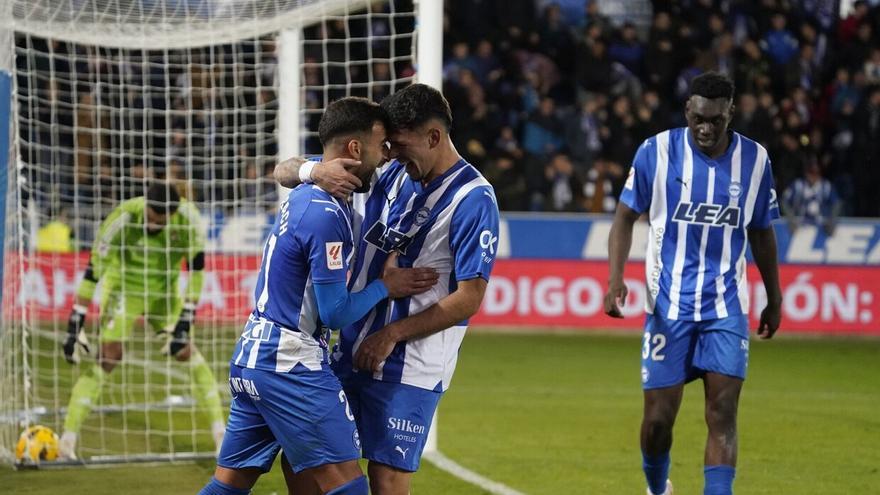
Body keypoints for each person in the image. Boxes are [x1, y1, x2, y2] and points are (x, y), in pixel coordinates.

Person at [199, 97, 439, 495]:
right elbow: (334, 313)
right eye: (380, 146)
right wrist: (386, 287)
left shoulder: (310, 187)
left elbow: (285, 170)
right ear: (355, 148)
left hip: (255, 356)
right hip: (290, 364)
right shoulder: (325, 215)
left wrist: (310, 170)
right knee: (349, 488)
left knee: (228, 487)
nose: (386, 156)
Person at [274, 83, 500, 495]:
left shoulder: (473, 199)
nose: (392, 153)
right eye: (388, 145)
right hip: (348, 350)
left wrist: (392, 334)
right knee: (304, 457)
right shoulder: (390, 171)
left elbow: (470, 297)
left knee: (387, 480)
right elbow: (283, 171)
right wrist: (314, 171)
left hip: (409, 366)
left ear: (434, 137)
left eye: (401, 144)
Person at [603, 72, 782, 495]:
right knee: (657, 423)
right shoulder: (656, 152)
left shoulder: (755, 161)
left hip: (726, 308)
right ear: (687, 110)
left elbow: (761, 232)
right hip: (667, 308)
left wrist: (774, 297)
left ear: (730, 113)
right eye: (698, 118)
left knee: (723, 413)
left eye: (715, 120)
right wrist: (615, 279)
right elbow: (625, 217)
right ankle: (657, 489)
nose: (705, 128)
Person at [59, 182, 225, 460]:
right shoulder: (122, 217)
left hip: (164, 293)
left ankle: (221, 435)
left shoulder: (189, 220)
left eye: (158, 221)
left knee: (186, 351)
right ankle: (68, 439)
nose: (151, 224)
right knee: (109, 357)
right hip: (124, 289)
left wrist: (186, 317)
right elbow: (93, 270)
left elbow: (197, 271)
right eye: (149, 217)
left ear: (172, 215)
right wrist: (76, 319)